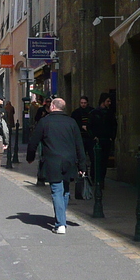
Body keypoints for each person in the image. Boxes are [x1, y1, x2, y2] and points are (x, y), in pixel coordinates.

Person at [27, 97, 88, 234]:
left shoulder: (45, 122)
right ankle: (61, 218)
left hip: (52, 161)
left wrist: (30, 157)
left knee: (56, 191)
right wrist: (82, 166)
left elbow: (33, 142)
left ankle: (61, 223)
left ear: (53, 107)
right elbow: (79, 146)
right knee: (65, 190)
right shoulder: (72, 122)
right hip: (69, 161)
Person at [87, 92, 117, 187]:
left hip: (106, 140)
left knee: (104, 161)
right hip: (97, 140)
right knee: (95, 160)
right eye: (108, 101)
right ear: (103, 102)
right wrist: (93, 137)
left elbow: (114, 126)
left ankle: (101, 179)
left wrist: (112, 137)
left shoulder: (110, 114)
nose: (109, 103)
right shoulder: (94, 113)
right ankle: (95, 178)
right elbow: (89, 126)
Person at [70, 95, 95, 159]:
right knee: (81, 155)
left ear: (87, 103)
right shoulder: (76, 113)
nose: (83, 104)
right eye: (82, 103)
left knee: (92, 155)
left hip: (90, 137)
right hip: (81, 137)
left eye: (85, 103)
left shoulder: (92, 112)